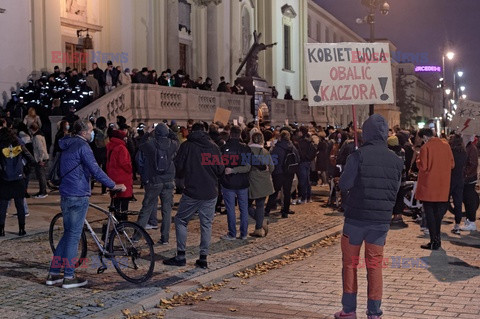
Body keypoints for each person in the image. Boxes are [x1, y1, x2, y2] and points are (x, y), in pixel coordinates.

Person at [335, 114, 403, 319]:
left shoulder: (357, 156)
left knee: (350, 264)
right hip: (380, 221)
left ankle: (348, 310)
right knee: (374, 265)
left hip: (356, 218)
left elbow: (344, 184)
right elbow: (396, 189)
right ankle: (374, 312)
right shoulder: (396, 160)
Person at [45, 119, 125, 289]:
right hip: (78, 194)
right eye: (90, 130)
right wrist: (113, 185)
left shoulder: (66, 144)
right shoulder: (83, 147)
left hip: (66, 194)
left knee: (68, 234)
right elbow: (95, 169)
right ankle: (69, 276)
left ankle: (53, 273)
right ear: (83, 132)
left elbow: (86, 169)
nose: (92, 132)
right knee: (74, 236)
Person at [163, 122, 224, 269]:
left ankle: (181, 255)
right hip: (210, 192)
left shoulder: (187, 146)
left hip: (192, 191)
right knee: (206, 224)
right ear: (204, 131)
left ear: (192, 131)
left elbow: (179, 167)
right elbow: (220, 169)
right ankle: (203, 258)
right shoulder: (213, 147)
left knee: (181, 220)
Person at [136, 123, 179, 244]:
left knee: (147, 208)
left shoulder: (150, 144)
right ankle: (165, 238)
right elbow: (176, 139)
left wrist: (147, 132)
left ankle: (136, 236)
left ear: (156, 133)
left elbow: (141, 144)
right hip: (169, 180)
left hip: (155, 180)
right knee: (167, 210)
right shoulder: (173, 144)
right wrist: (169, 130)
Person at [415, 128, 454, 250]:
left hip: (429, 187)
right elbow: (452, 164)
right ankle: (437, 240)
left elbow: (423, 166)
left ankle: (434, 241)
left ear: (425, 137)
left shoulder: (425, 148)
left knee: (430, 215)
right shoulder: (446, 145)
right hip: (442, 186)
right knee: (438, 216)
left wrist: (418, 160)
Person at [0, 127, 35, 236]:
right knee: (20, 205)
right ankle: (21, 229)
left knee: (2, 206)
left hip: (4, 178)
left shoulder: (0, 144)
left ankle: (1, 229)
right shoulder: (18, 143)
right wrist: (26, 169)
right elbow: (30, 158)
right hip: (18, 178)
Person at [220, 125, 251, 240]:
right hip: (242, 183)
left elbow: (220, 165)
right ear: (240, 134)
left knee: (230, 209)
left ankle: (232, 233)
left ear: (230, 134)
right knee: (244, 209)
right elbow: (247, 167)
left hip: (228, 183)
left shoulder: (224, 148)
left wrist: (230, 170)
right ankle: (244, 234)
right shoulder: (245, 148)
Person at [264, 130, 299, 218]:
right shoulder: (293, 147)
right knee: (287, 193)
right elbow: (297, 159)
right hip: (289, 173)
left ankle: (267, 210)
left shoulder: (277, 148)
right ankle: (285, 212)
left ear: (280, 137)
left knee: (274, 192)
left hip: (278, 173)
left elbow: (273, 160)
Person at [247, 132, 274, 237]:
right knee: (260, 205)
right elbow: (272, 168)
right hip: (264, 182)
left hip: (251, 182)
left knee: (245, 205)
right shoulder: (265, 152)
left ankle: (260, 222)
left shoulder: (247, 151)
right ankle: (259, 227)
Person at [106, 130, 133, 221]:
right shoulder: (121, 148)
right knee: (124, 203)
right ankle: (122, 223)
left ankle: (116, 220)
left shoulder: (111, 146)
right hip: (122, 178)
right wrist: (131, 169)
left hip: (113, 176)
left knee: (116, 202)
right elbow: (125, 164)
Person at [448, 134, 467, 234]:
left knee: (445, 200)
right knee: (458, 202)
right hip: (460, 179)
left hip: (450, 179)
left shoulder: (451, 152)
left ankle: (437, 221)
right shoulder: (464, 152)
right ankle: (457, 224)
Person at [461, 135, 479, 231]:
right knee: (466, 200)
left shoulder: (472, 148)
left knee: (469, 201)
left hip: (469, 179)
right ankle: (469, 220)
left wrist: (465, 174)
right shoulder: (467, 147)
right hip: (467, 178)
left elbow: (473, 164)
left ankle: (471, 222)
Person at [296, 126, 317, 204]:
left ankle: (304, 197)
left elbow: (300, 153)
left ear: (301, 132)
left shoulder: (301, 141)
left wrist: (303, 157)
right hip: (308, 162)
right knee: (307, 180)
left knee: (303, 180)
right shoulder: (309, 140)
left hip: (302, 162)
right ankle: (308, 197)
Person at [30, 123, 49, 198]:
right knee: (41, 176)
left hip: (41, 159)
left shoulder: (37, 137)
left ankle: (43, 192)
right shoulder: (40, 135)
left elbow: (40, 149)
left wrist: (40, 159)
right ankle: (42, 191)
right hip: (43, 158)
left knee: (41, 176)